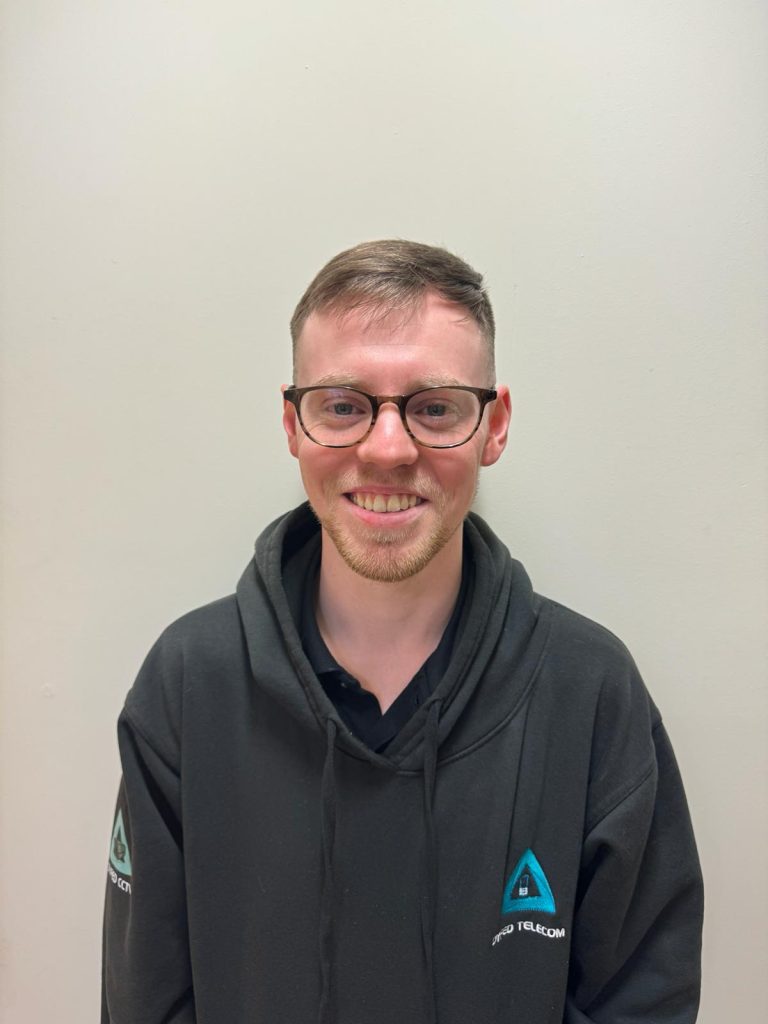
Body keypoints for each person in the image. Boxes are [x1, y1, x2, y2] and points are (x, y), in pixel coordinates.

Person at [101, 240, 703, 1024]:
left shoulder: (590, 694)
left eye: (435, 407)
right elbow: (145, 1002)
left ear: (494, 426)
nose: (387, 448)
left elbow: (644, 1001)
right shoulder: (188, 685)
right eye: (343, 405)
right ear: (292, 424)